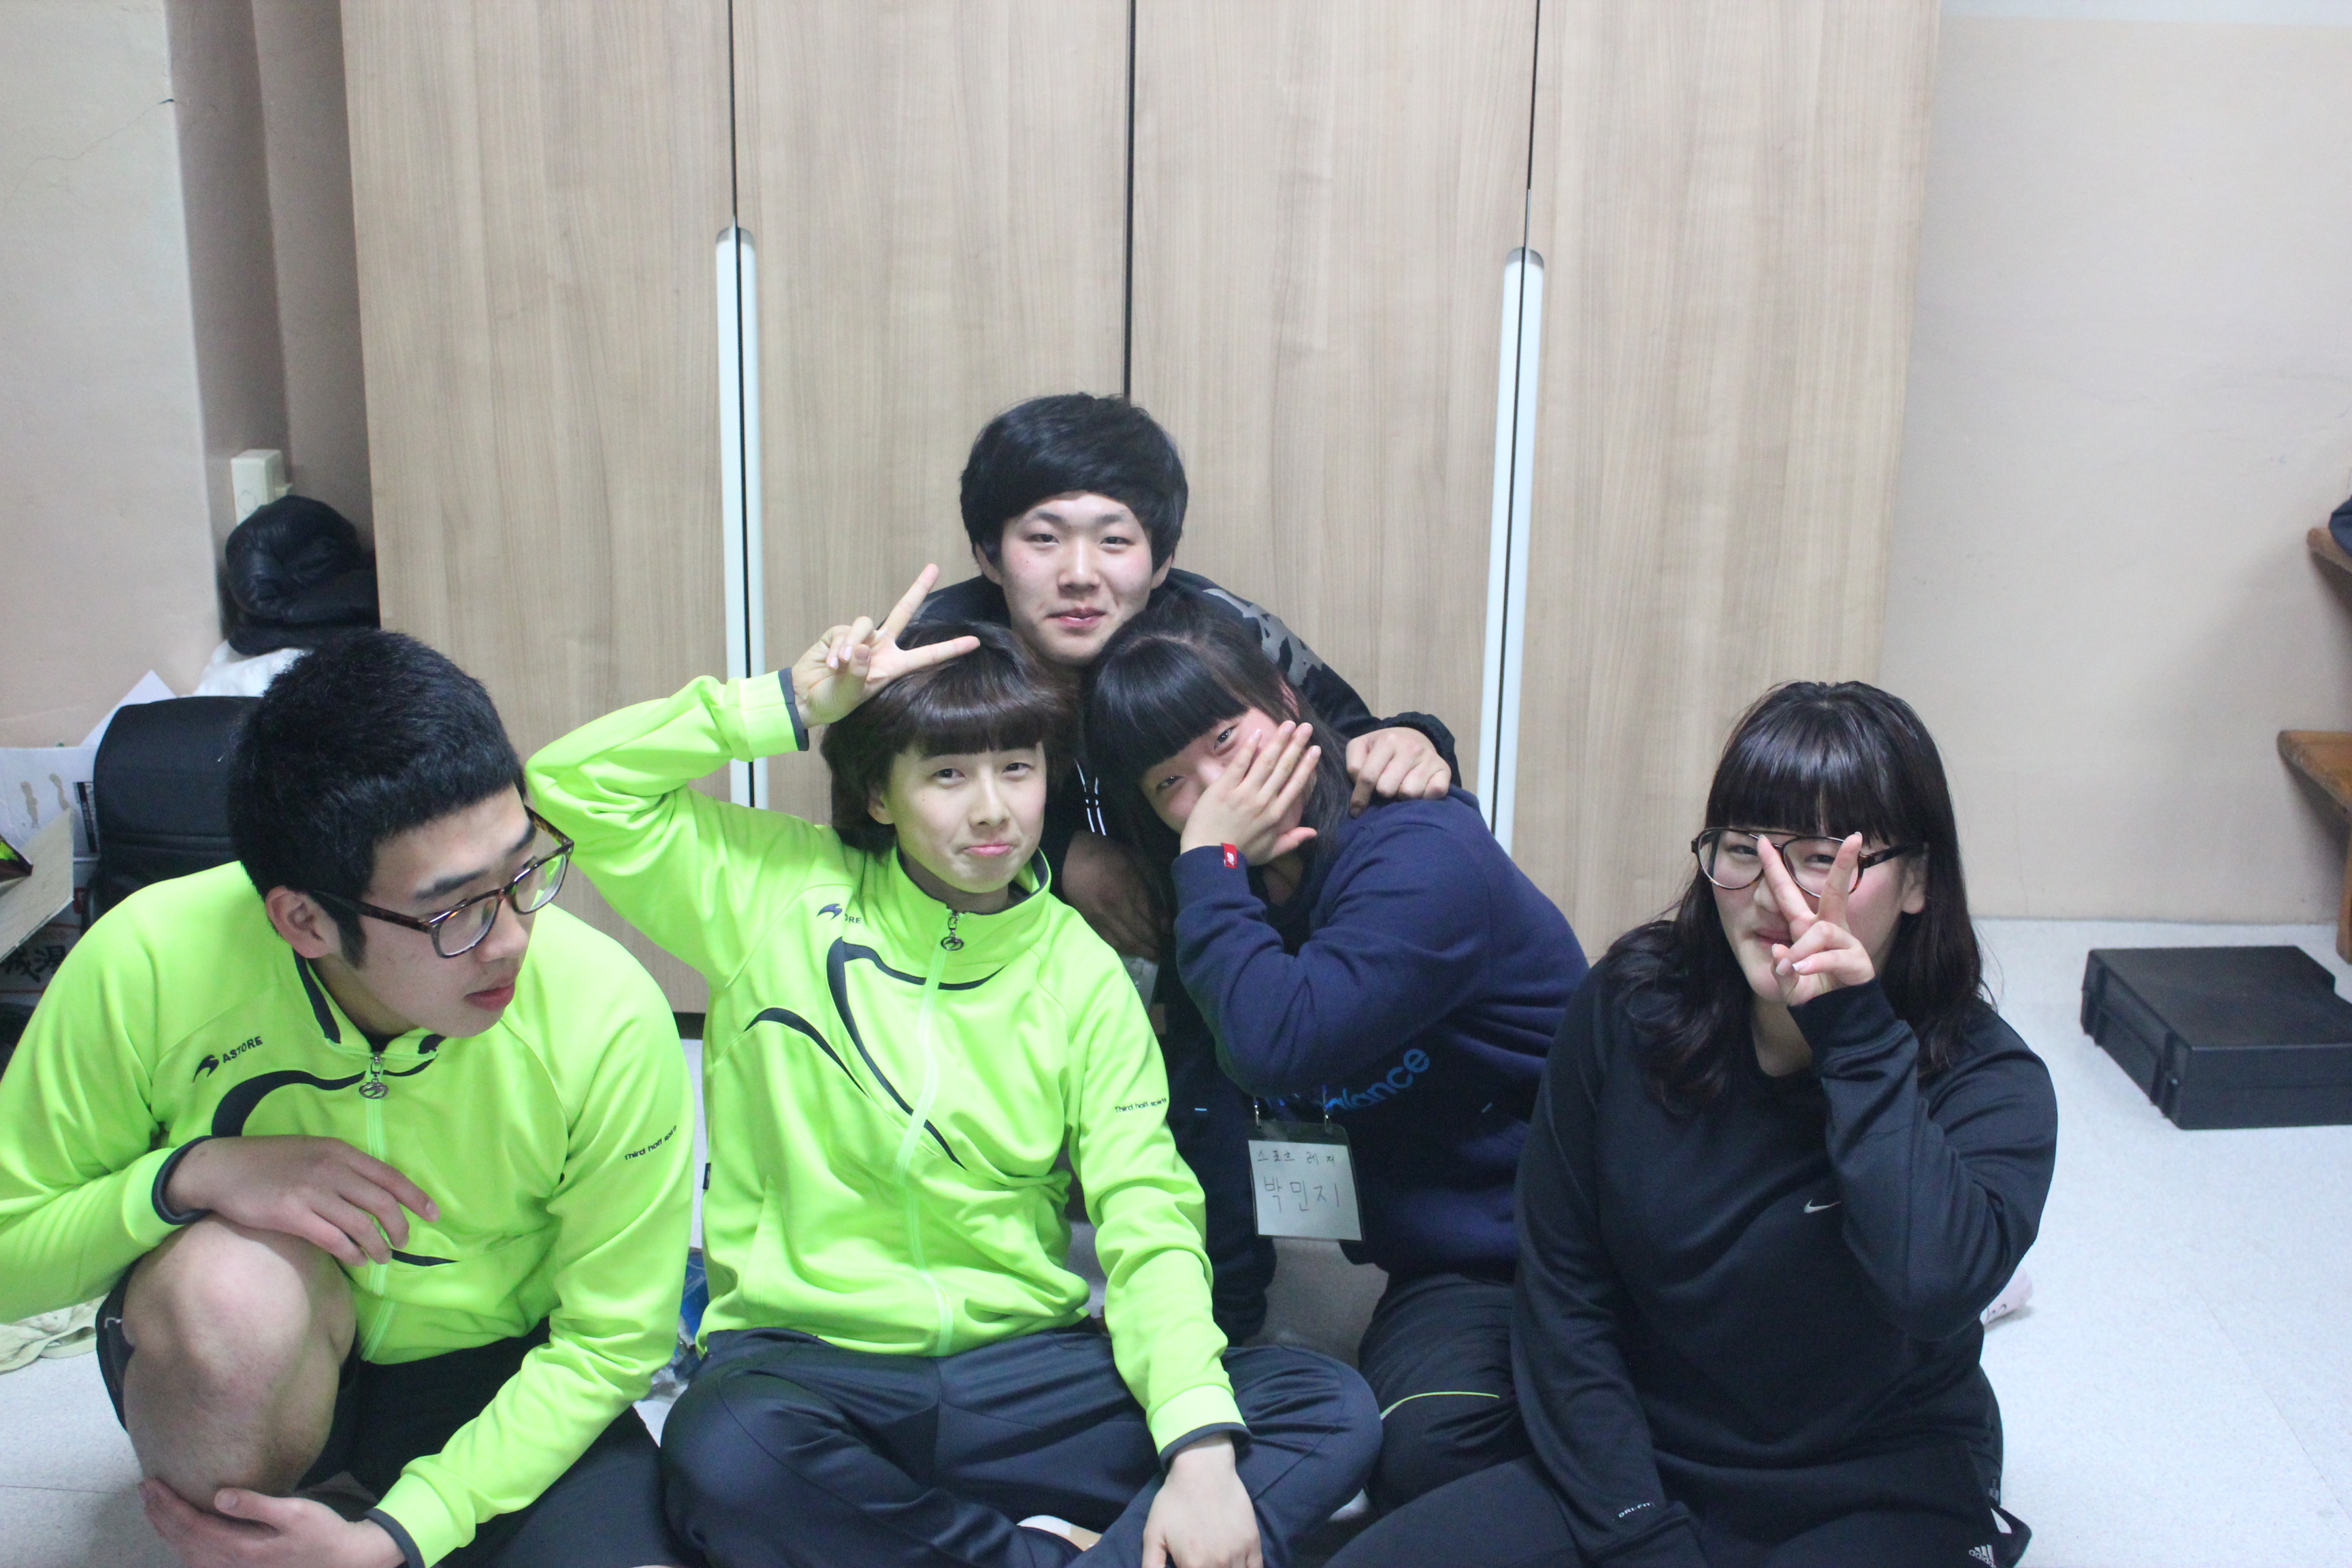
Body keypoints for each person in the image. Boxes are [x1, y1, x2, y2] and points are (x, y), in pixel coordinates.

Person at [525, 568, 1380, 1568]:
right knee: (725, 1452)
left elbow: (1147, 1210)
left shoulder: (1079, 970)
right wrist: (788, 702)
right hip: (813, 1367)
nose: (992, 812)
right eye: (946, 776)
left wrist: (1195, 1449)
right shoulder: (773, 895)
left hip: (1027, 1369)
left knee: (1323, 1405)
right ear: (878, 795)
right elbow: (570, 786)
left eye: (1017, 769)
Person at [0, 632, 696, 1568]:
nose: (511, 938)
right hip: (261, 1344)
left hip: (493, 1372)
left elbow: (611, 1342)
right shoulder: (147, 962)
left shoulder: (604, 1013)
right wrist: (184, 1178)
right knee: (227, 1297)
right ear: (305, 920)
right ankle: (254, 1528)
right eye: (454, 909)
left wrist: (405, 1533)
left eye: (523, 870)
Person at [1327, 682, 2058, 1568]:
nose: (1775, 893)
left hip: (1876, 1475)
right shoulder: (1632, 1003)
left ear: (1918, 882)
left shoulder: (1991, 1081)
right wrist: (1638, 1527)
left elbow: (1930, 1288)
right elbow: (1564, 1291)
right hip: (1654, 1451)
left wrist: (1856, 1040)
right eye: (1744, 850)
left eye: (1823, 857)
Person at [923, 391, 1460, 1335]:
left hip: (1195, 908)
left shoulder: (1214, 629)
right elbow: (885, 813)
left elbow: (1343, 738)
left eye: (1114, 540)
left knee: (1216, 1034)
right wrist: (1061, 858)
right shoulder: (943, 646)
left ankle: (1226, 1302)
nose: (1080, 574)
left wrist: (1415, 737)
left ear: (1162, 558)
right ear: (989, 553)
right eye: (1043, 538)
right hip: (1001, 924)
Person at [1086, 595, 1587, 1512]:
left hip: (1591, 1245)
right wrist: (1220, 1349)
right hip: (1452, 1273)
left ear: (1287, 701)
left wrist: (1209, 860)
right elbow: (1213, 1122)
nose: (1218, 790)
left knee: (1619, 1429)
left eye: (1227, 740)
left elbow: (1274, 1043)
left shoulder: (1418, 851)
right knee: (1422, 1452)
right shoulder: (1234, 901)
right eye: (1172, 783)